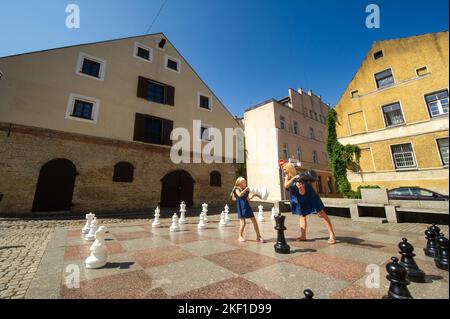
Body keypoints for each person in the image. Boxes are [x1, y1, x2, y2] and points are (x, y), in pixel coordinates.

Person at [283, 163, 336, 244]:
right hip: (300, 199)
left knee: (321, 214)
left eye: (285, 170)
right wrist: (293, 178)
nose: (284, 172)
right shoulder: (289, 178)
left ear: (289, 169)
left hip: (310, 196)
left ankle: (332, 235)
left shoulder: (300, 177)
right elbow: (286, 186)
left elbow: (303, 192)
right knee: (302, 215)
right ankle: (303, 236)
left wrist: (300, 188)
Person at [231, 177, 266, 243]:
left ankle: (258, 236)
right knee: (243, 222)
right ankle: (240, 236)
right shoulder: (236, 189)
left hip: (247, 206)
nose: (246, 183)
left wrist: (254, 195)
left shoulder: (246, 190)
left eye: (245, 182)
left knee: (254, 220)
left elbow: (248, 199)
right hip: (241, 207)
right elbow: (240, 195)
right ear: (240, 183)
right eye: (244, 182)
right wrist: (246, 189)